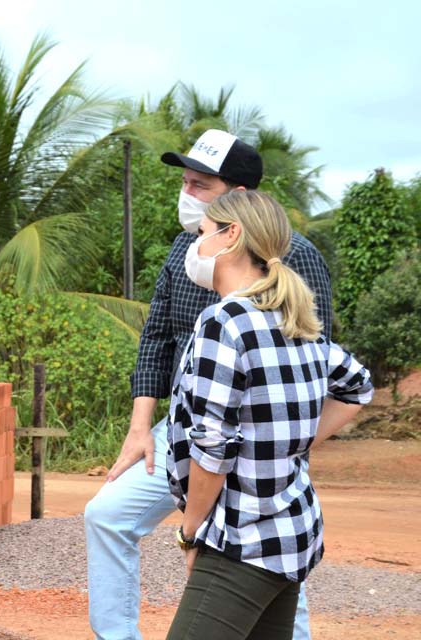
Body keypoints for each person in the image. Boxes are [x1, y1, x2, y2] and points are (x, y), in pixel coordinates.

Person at [84, 129, 333, 640]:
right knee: (106, 515)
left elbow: (319, 363)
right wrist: (139, 429)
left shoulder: (295, 256)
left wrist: (288, 447)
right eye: (185, 181)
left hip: (248, 446)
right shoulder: (184, 248)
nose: (187, 192)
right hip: (183, 432)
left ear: (239, 201)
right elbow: (156, 337)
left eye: (200, 185)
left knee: (266, 553)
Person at [165, 190, 373, 638]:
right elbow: (358, 386)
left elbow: (212, 446)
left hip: (241, 540)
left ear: (231, 235)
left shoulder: (225, 321)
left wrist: (190, 531)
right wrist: (293, 444)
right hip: (292, 533)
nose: (193, 247)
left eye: (201, 234)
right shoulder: (290, 317)